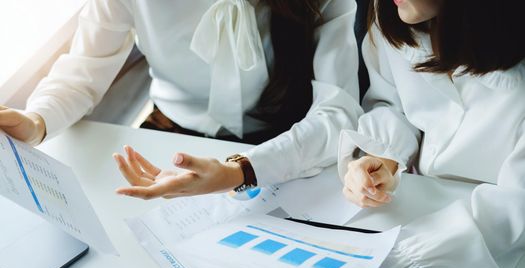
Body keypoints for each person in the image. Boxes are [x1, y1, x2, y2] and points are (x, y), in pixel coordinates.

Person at [0, 0, 363, 198]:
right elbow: (85, 68)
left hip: (286, 140)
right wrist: (37, 121)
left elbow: (338, 111)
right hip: (167, 134)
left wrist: (242, 170)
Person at [340, 0, 525, 268]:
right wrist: (383, 156)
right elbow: (393, 103)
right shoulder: (395, 16)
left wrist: (395, 265)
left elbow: (515, 207)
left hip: (496, 259)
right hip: (412, 211)